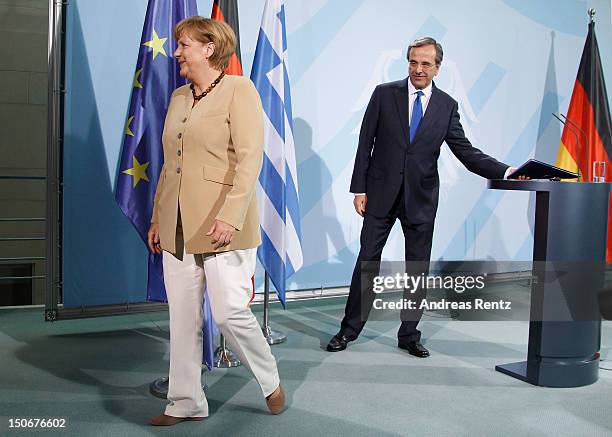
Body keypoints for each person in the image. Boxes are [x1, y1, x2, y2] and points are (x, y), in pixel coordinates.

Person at [326, 37, 522, 357]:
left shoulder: (446, 106)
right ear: (408, 63)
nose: (418, 69)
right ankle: (348, 330)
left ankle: (409, 334)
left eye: (425, 64)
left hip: (421, 198)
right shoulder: (384, 94)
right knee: (367, 263)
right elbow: (365, 144)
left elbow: (466, 152)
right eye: (413, 62)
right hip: (379, 194)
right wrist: (359, 189)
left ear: (437, 68)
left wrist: (506, 171)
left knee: (417, 268)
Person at [147, 16, 284, 426]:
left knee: (227, 314)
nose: (176, 53)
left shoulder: (240, 91)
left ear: (209, 48)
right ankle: (185, 402)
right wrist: (157, 217)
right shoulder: (177, 97)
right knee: (183, 318)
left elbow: (249, 161)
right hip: (177, 225)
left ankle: (269, 378)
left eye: (184, 45)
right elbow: (170, 166)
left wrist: (229, 215)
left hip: (225, 224)